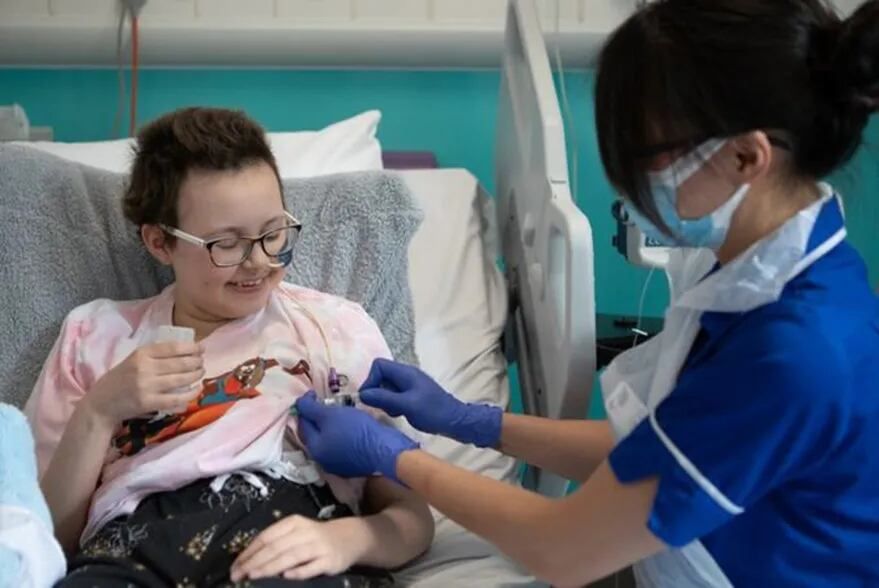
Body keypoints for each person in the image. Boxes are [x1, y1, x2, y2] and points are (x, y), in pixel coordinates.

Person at [282, 1, 879, 586]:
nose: (629, 184)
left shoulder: (794, 351)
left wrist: (395, 457)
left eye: (645, 155)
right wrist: (472, 422)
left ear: (747, 156)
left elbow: (565, 550)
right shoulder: (758, 270)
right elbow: (654, 449)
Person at [24, 107, 433, 587]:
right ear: (159, 242)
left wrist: (349, 540)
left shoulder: (332, 328)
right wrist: (99, 410)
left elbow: (412, 517)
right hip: (129, 553)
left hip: (286, 538)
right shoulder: (94, 335)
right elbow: (45, 540)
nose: (258, 260)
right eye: (226, 244)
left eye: (274, 232)